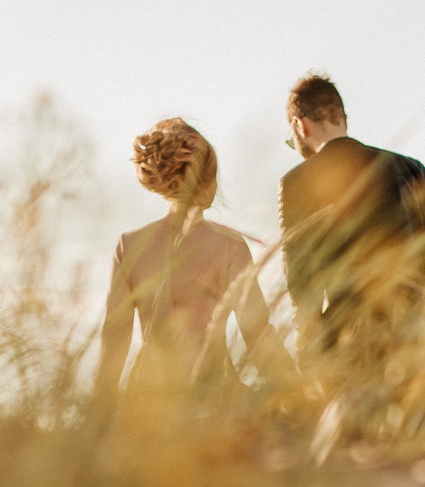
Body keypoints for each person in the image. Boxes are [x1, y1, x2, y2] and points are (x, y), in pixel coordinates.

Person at [276, 73, 425, 420]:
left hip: (347, 349)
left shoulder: (296, 183)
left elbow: (301, 288)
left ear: (300, 126)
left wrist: (312, 363)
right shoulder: (410, 169)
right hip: (417, 341)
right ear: (343, 118)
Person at [95, 118, 295, 400]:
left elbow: (114, 339)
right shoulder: (229, 247)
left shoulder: (129, 246)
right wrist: (295, 391)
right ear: (208, 179)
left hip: (147, 400)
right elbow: (257, 333)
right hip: (213, 392)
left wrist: (97, 413)